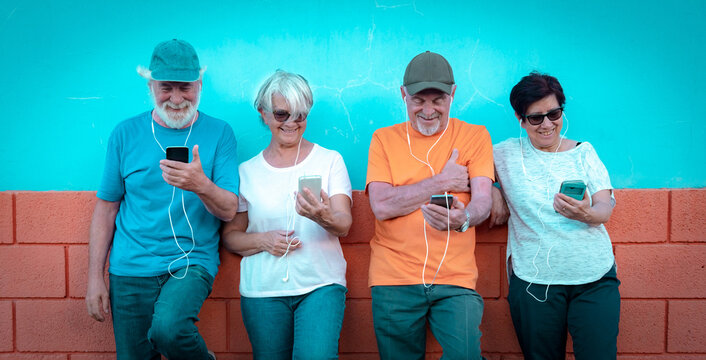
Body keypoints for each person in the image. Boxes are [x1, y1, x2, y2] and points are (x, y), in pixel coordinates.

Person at [85, 39, 239, 360]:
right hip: (129, 268)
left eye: (186, 87)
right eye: (166, 87)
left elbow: (228, 209)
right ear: (151, 86)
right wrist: (94, 278)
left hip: (191, 262)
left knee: (170, 329)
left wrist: (200, 185)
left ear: (199, 84)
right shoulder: (125, 134)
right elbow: (107, 208)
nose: (177, 97)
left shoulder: (219, 133)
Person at [366, 51, 494, 359]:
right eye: (418, 100)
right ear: (403, 95)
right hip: (392, 278)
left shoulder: (475, 136)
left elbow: (483, 202)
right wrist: (442, 182)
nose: (427, 110)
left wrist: (464, 218)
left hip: (455, 279)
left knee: (466, 354)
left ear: (453, 94)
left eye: (437, 100)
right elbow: (381, 206)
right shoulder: (383, 139)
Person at [221, 70, 352, 360]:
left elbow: (344, 224)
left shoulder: (330, 161)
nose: (292, 122)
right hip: (262, 291)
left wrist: (322, 216)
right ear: (264, 114)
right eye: (282, 114)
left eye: (300, 114)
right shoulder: (247, 172)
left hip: (321, 285)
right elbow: (231, 238)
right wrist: (264, 241)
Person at [489, 71, 620, 360]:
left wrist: (587, 213)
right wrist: (490, 187)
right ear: (520, 118)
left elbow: (604, 208)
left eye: (554, 113)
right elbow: (468, 170)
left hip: (594, 279)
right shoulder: (505, 154)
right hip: (535, 283)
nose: (547, 124)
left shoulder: (584, 153)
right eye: (536, 117)